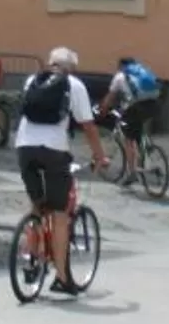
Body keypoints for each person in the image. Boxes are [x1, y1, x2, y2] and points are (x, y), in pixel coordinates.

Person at [13, 47, 107, 296]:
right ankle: (63, 279)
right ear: (72, 68)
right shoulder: (74, 84)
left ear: (50, 63)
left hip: (24, 147)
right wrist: (99, 155)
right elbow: (88, 125)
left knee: (36, 206)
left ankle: (31, 260)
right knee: (59, 213)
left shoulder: (32, 80)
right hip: (54, 150)